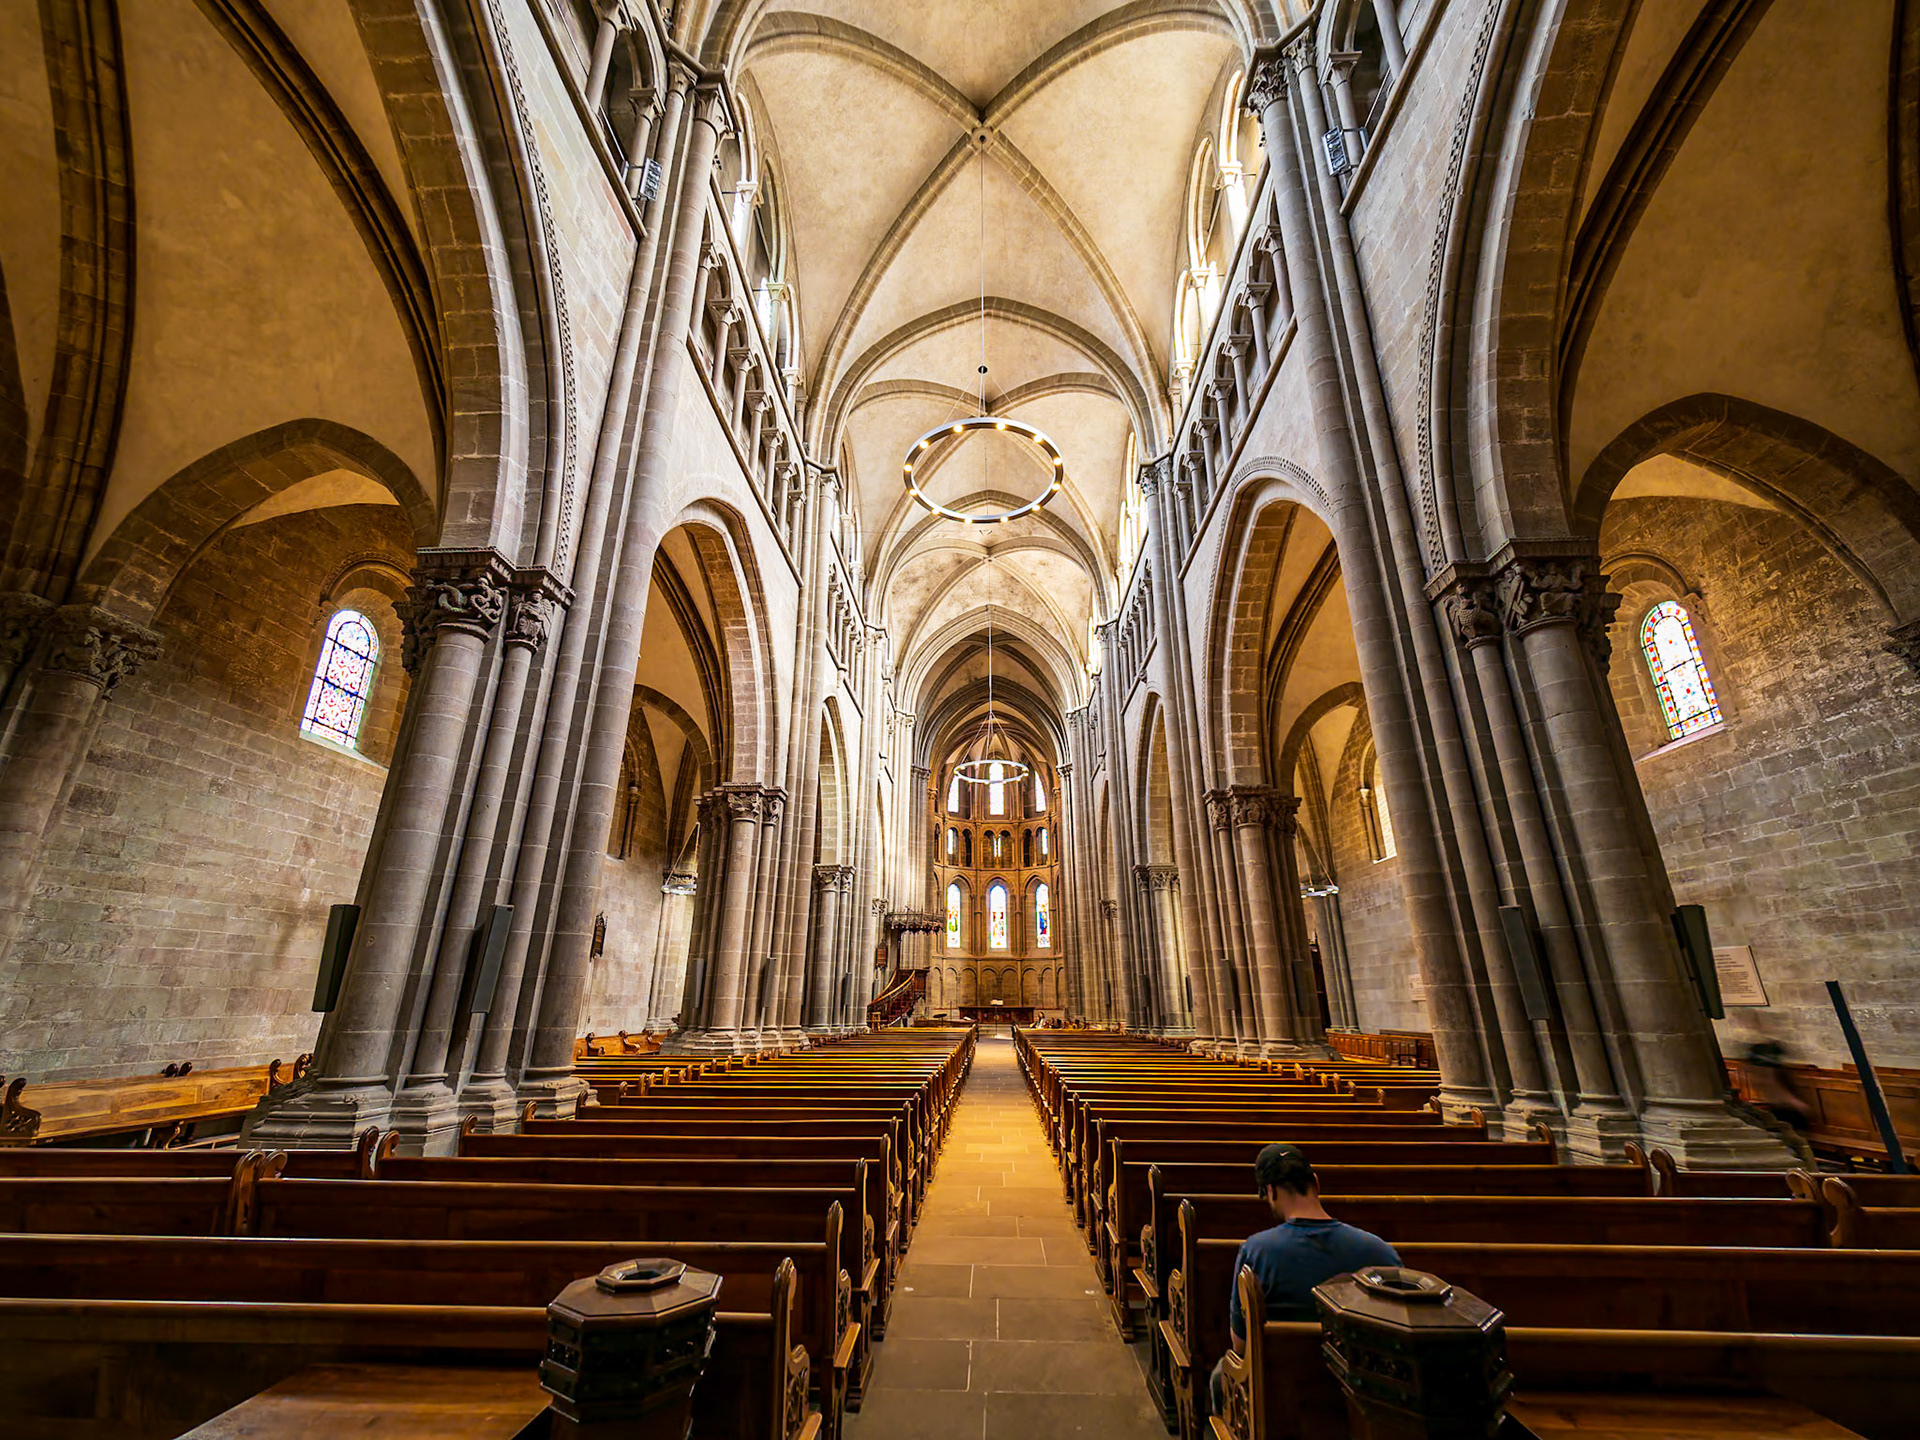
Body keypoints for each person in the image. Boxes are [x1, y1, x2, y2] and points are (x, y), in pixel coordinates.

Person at [1210, 1143, 1401, 1411]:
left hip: (1284, 1401)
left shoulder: (1256, 1252)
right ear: (1316, 1183)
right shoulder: (1382, 1253)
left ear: (1271, 1191)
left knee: (1221, 1376)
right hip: (1365, 1402)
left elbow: (1240, 1344)